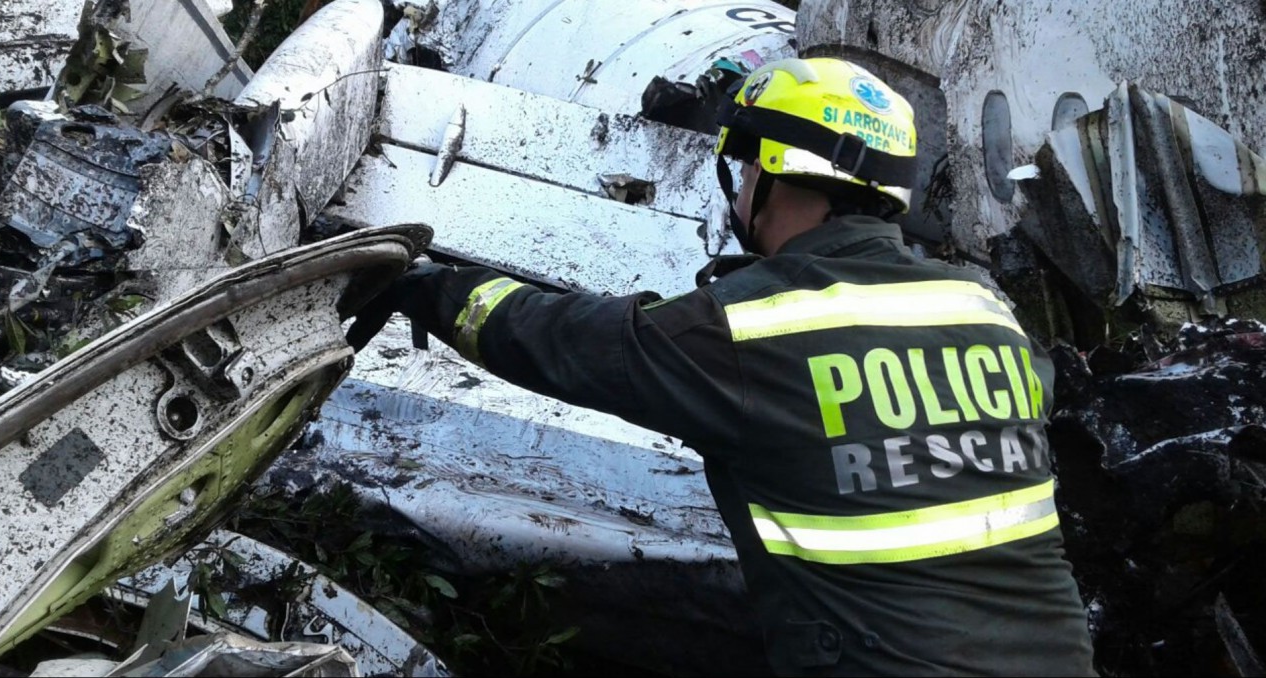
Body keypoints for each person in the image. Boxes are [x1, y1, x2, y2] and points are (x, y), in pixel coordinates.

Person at [349, 57, 1096, 676]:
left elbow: (567, 342)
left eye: (742, 170)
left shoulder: (755, 327)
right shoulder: (985, 310)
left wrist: (432, 289)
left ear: (775, 169)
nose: (738, 190)